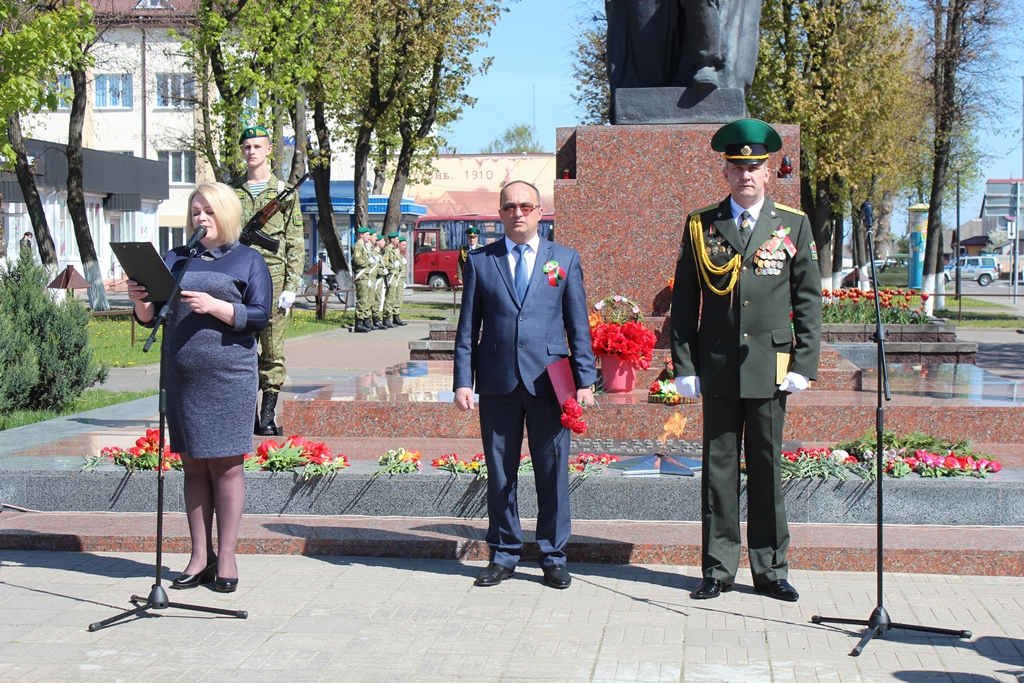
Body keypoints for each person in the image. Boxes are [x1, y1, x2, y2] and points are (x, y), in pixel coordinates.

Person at [670, 119, 821, 602]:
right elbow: (684, 304)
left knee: (767, 468)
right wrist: (685, 366)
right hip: (715, 367)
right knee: (718, 472)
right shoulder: (702, 225)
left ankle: (771, 568)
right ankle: (717, 568)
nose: (746, 175)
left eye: (755, 166)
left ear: (769, 172)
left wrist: (804, 362)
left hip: (771, 367)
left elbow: (808, 301)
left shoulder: (792, 224)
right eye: (738, 167)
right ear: (726, 171)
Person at [128, 182, 272, 593]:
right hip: (183, 376)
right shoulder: (174, 259)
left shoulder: (248, 260)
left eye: (208, 211)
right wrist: (140, 298)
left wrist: (216, 307)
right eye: (195, 212)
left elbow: (260, 315)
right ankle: (199, 553)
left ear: (225, 214)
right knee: (191, 463)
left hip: (228, 376)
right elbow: (150, 317)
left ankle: (225, 556)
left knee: (225, 465)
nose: (200, 219)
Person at [453, 180, 597, 590]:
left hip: (550, 384)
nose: (518, 213)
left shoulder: (564, 259)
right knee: (500, 473)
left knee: (552, 473)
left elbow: (578, 325)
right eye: (510, 207)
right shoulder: (481, 261)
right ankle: (504, 554)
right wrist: (464, 381)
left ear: (540, 212)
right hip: (498, 382)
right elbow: (468, 329)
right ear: (500, 213)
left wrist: (584, 380)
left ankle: (553, 555)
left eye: (526, 206)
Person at [231, 125, 304, 437]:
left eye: (257, 147)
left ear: (269, 150)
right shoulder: (231, 192)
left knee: (272, 349)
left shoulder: (284, 192)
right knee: (241, 347)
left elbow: (294, 243)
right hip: (239, 279)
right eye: (246, 147)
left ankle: (268, 415)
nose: (251, 152)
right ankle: (246, 413)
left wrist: (291, 285)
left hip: (273, 278)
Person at [351, 227, 376, 333]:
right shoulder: (358, 246)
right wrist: (367, 262)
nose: (368, 236)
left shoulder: (364, 247)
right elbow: (357, 260)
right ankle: (358, 323)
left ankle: (364, 321)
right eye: (366, 234)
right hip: (361, 276)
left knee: (365, 299)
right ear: (361, 235)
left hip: (366, 276)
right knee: (362, 300)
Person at [383, 231, 407, 327]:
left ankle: (396, 317)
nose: (397, 240)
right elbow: (384, 262)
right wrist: (392, 266)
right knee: (390, 298)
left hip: (398, 278)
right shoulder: (388, 250)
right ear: (392, 239)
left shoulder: (395, 251)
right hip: (392, 277)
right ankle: (386, 318)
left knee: (397, 298)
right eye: (396, 239)